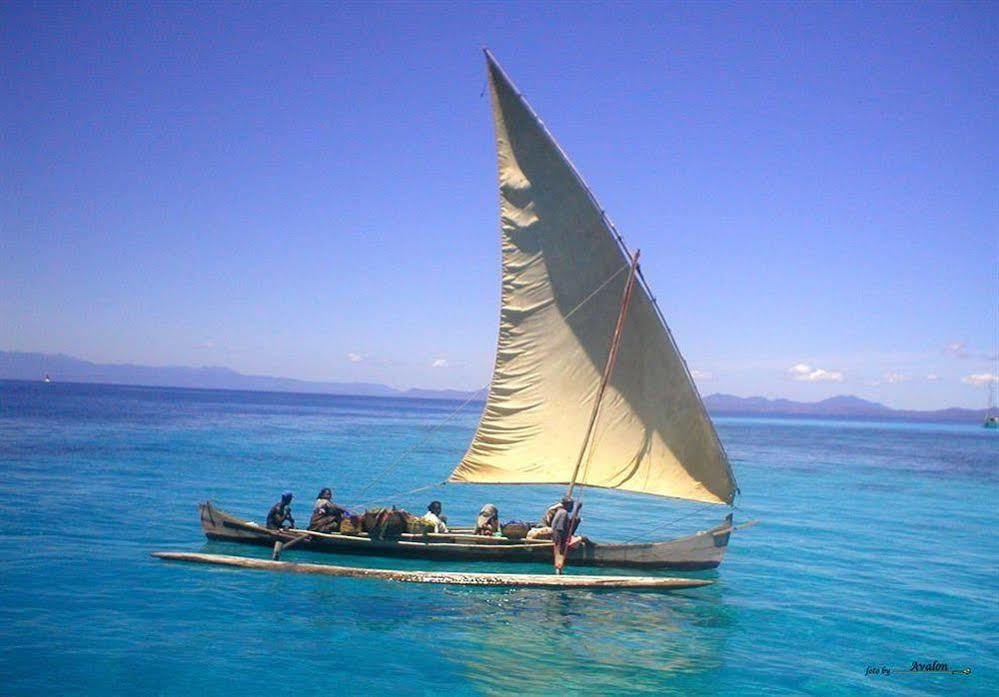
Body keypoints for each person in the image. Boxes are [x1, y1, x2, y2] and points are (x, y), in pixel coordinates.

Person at [550, 496, 582, 574]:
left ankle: (559, 570)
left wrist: (577, 509)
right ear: (566, 505)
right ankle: (558, 570)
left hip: (560, 535)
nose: (571, 507)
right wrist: (561, 541)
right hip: (559, 536)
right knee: (559, 553)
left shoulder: (561, 511)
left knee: (577, 519)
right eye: (571, 505)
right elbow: (559, 528)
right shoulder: (563, 513)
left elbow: (571, 522)